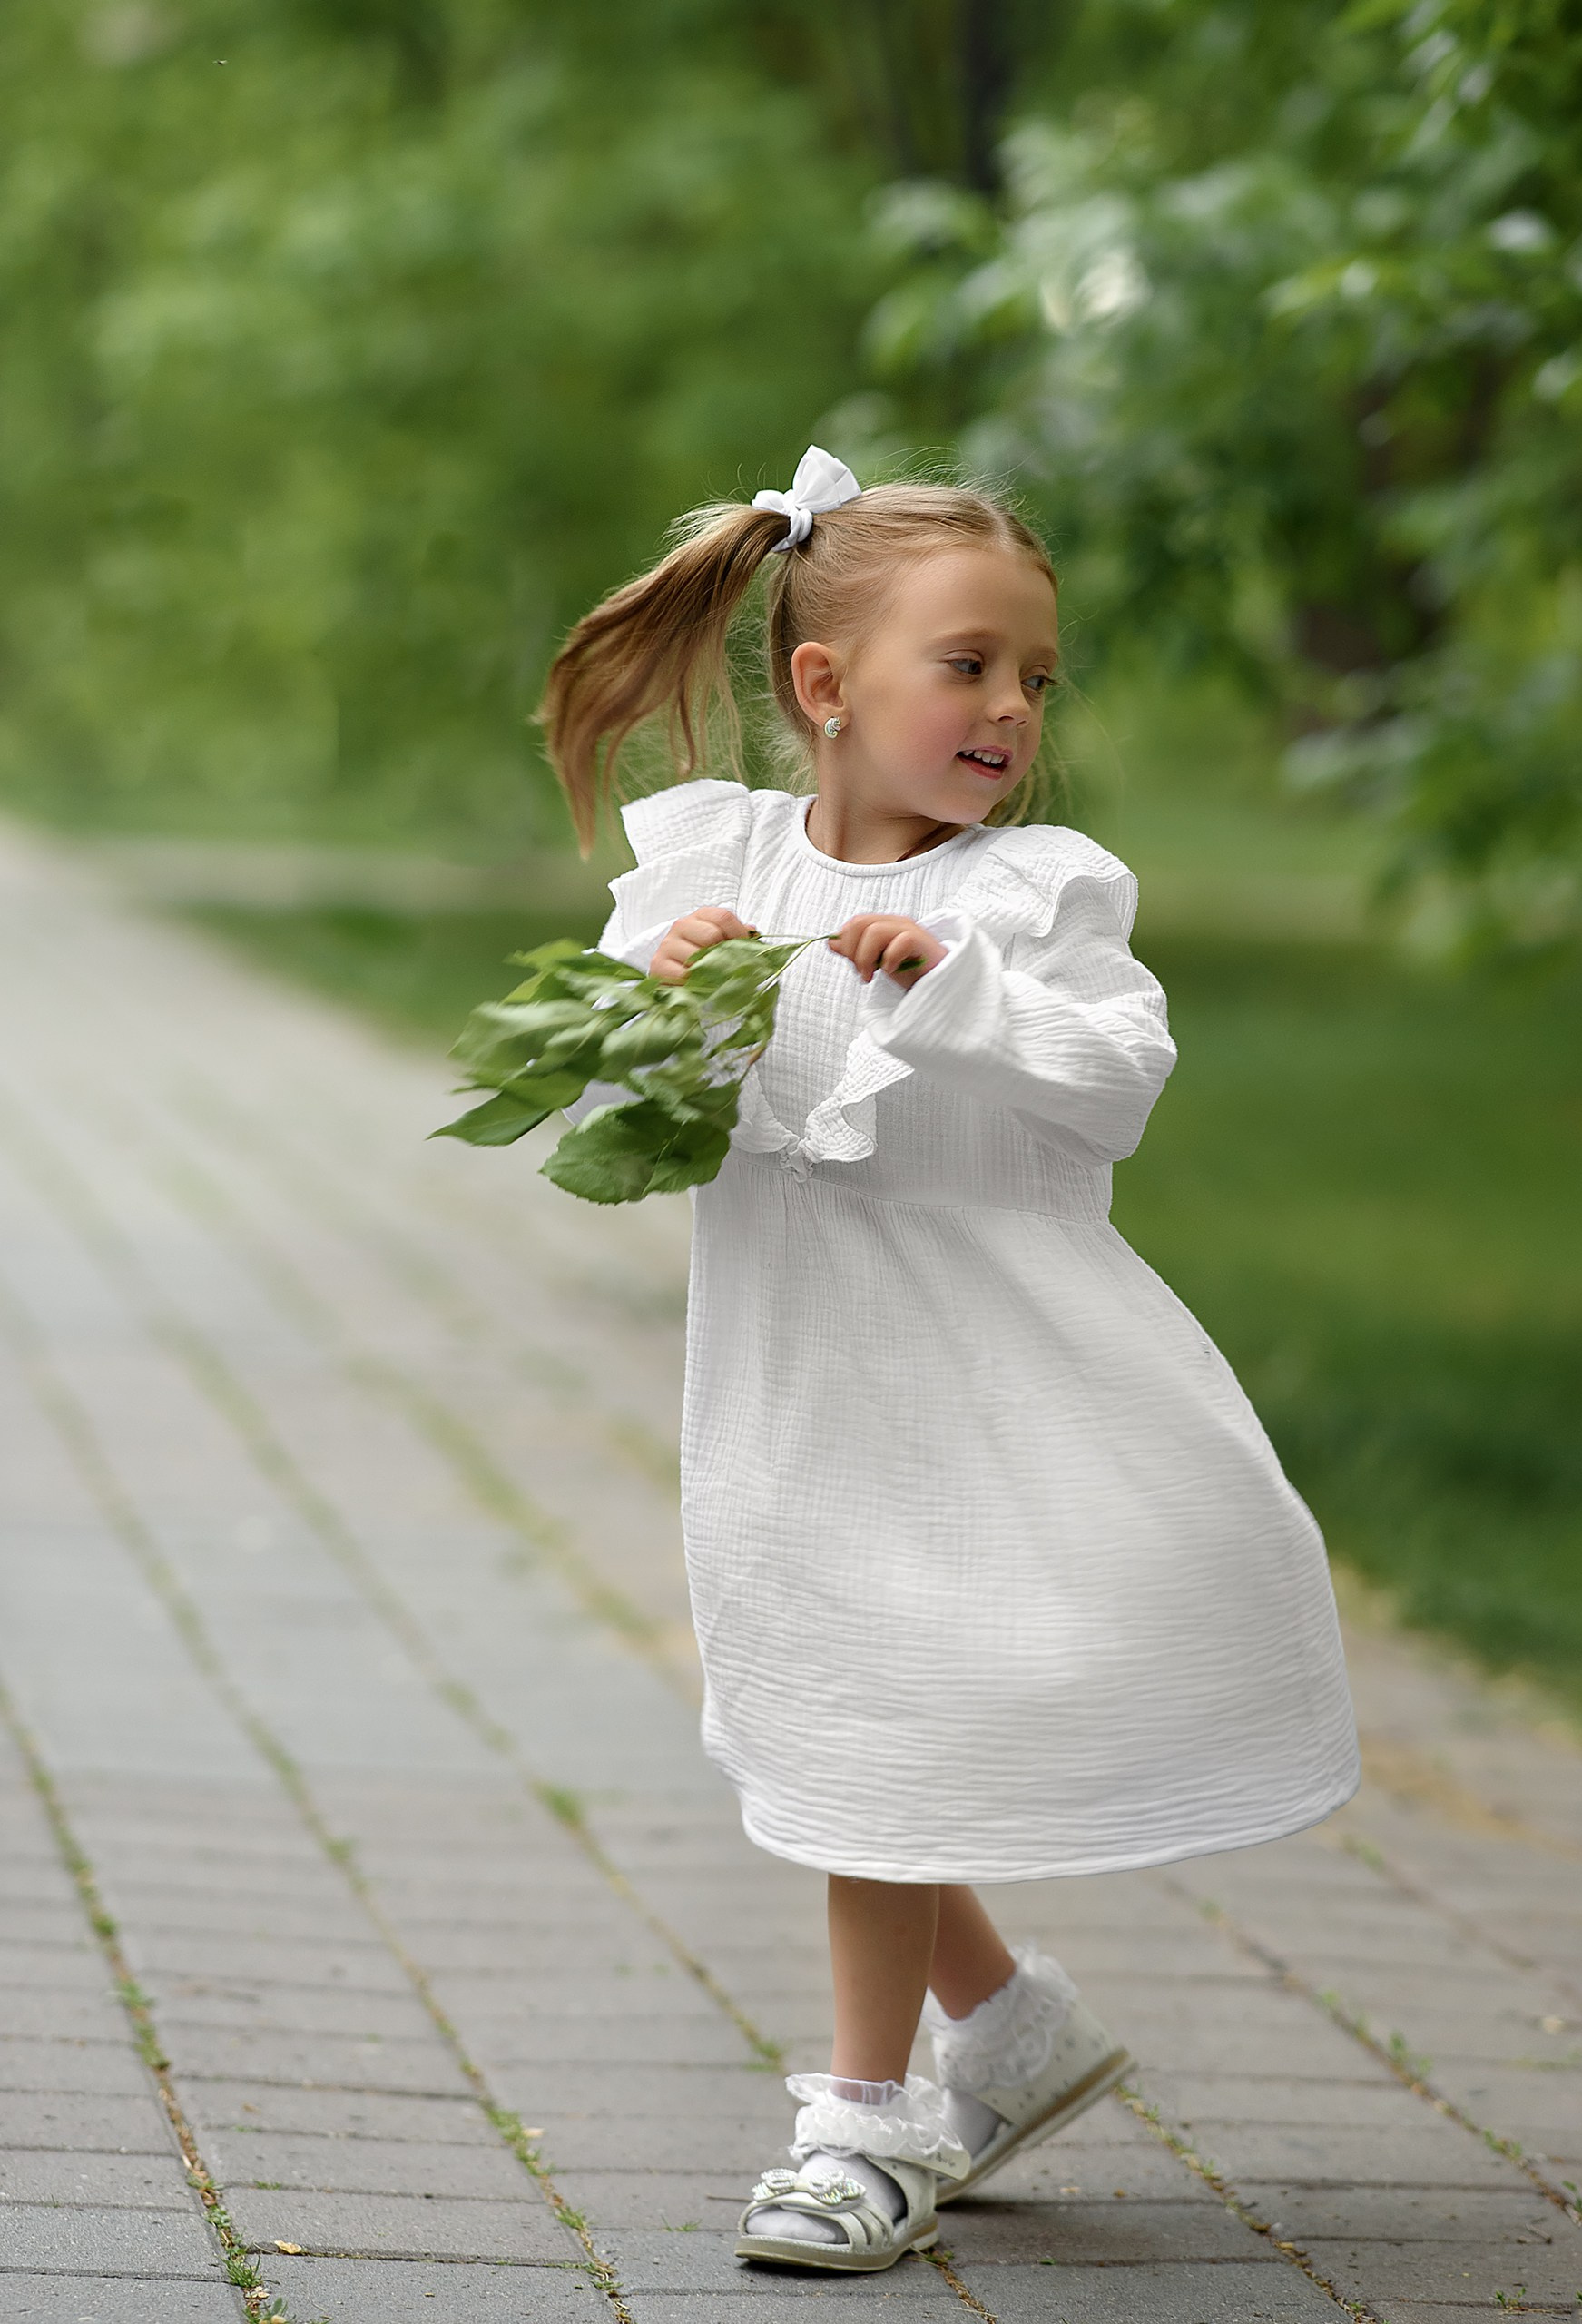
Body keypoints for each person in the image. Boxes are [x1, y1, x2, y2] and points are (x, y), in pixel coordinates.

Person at [539, 448, 1360, 2273]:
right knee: (834, 1718)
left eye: (1033, 677)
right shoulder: (720, 861)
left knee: (887, 1718)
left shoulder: (1036, 894)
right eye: (969, 665)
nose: (1011, 710)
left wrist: (950, 988)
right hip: (797, 1385)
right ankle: (1008, 2033)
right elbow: (605, 1116)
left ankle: (861, 2118)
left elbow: (1115, 1079)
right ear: (825, 686)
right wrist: (661, 1004)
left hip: (995, 1383)